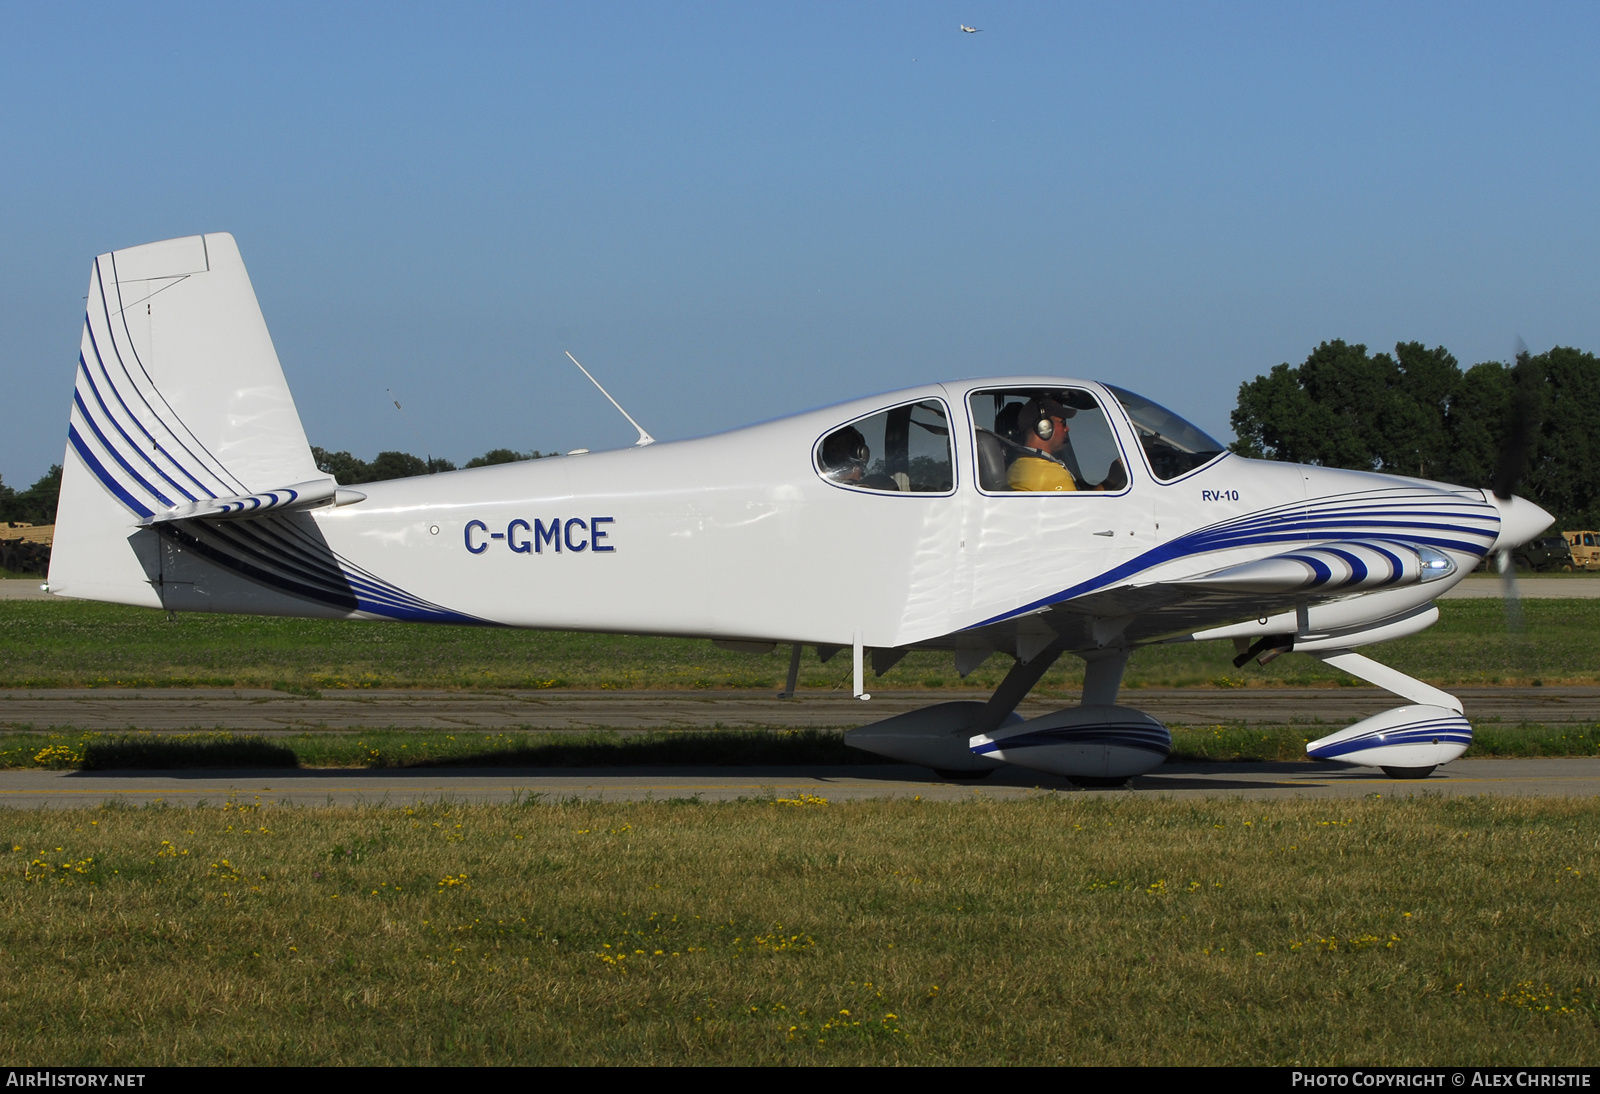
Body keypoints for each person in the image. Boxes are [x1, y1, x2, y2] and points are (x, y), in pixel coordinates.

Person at [1007, 396, 1079, 491]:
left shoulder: (1015, 467)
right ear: (1044, 427)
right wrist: (1105, 485)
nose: (1067, 429)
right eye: (1063, 423)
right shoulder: (1052, 474)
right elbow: (1079, 505)